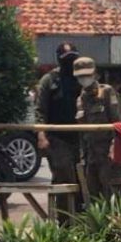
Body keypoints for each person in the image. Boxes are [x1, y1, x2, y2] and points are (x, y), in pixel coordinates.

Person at [35, 43, 82, 207]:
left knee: (82, 177)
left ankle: (81, 216)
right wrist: (41, 135)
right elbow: (40, 110)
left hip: (80, 136)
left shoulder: (81, 78)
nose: (70, 62)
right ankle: (64, 217)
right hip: (57, 138)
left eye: (73, 58)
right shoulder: (48, 80)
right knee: (63, 175)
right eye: (67, 59)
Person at [72, 57, 121, 201]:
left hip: (107, 153)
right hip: (91, 155)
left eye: (87, 75)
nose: (84, 79)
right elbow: (82, 132)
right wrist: (82, 155)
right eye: (81, 76)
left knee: (112, 194)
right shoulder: (81, 99)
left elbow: (117, 122)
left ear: (94, 74)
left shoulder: (106, 92)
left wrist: (115, 147)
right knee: (93, 195)